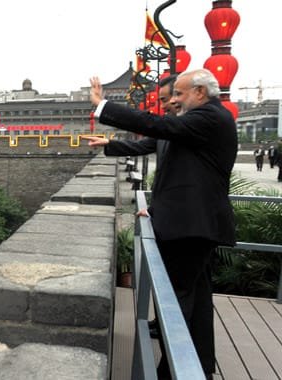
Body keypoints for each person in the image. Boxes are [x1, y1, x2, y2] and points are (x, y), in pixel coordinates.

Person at [90, 68, 236, 379]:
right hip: (190, 223)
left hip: (191, 227)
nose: (173, 101)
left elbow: (154, 125)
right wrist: (156, 208)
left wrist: (103, 105)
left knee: (177, 303)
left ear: (199, 92)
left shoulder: (209, 117)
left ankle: (173, 370)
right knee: (195, 299)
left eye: (179, 94)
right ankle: (200, 364)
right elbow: (172, 165)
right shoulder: (198, 122)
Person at [82, 74, 179, 171]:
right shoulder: (167, 131)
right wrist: (108, 143)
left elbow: (146, 122)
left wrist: (100, 103)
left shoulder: (185, 124)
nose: (162, 106)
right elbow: (140, 146)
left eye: (164, 100)